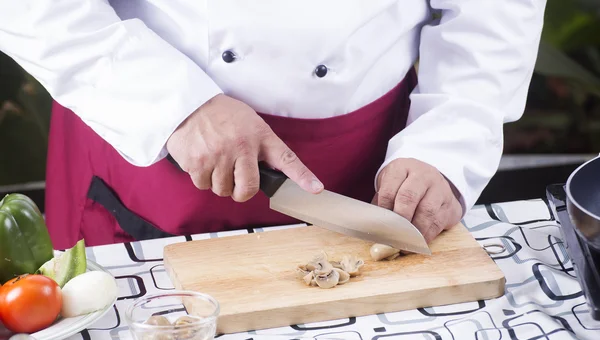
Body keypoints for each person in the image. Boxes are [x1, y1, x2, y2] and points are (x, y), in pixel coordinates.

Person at [0, 1, 547, 250]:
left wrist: (445, 143)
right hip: (149, 131)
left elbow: (494, 14)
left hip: (372, 156)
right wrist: (175, 105)